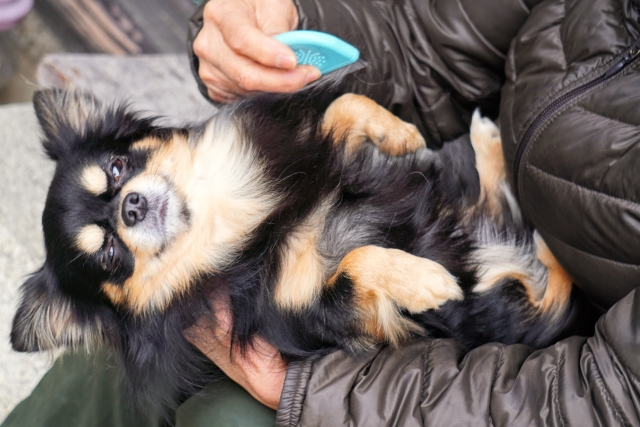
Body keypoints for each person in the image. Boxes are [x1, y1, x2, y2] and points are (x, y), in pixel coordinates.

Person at [3, 0, 640, 425]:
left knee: (217, 415)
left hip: (524, 356)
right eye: (111, 246)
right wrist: (288, 30)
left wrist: (310, 395)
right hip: (478, 192)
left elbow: (607, 400)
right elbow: (434, 41)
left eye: (116, 176)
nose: (129, 204)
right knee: (94, 382)